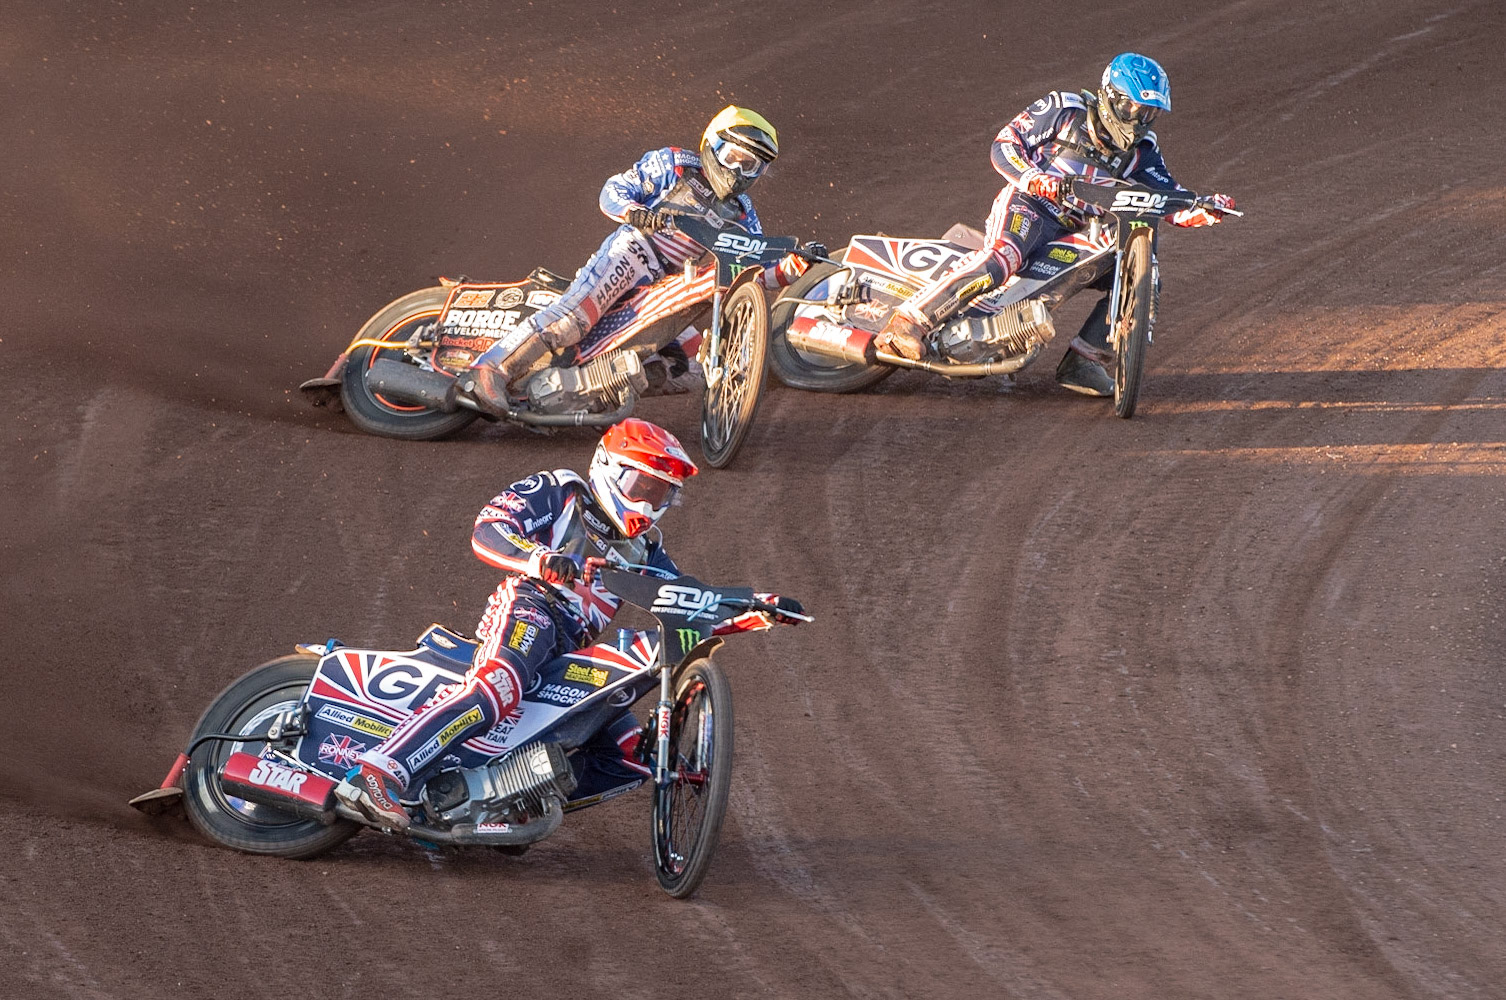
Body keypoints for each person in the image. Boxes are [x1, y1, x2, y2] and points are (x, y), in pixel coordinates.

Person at [335, 418, 806, 830]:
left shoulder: (647, 550)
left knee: (630, 758)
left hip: (570, 651)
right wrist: (540, 560)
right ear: (608, 469)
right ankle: (380, 770)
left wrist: (754, 607)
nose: (647, 504)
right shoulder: (562, 490)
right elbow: (487, 528)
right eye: (642, 487)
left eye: (660, 494)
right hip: (531, 607)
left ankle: (512, 802)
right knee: (501, 684)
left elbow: (687, 601)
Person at [875, 52, 1236, 396]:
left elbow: (1167, 198)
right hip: (1031, 204)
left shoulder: (1143, 150)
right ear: (1111, 97)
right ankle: (909, 321)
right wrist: (1033, 178)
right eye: (1133, 108)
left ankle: (1084, 362)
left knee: (1140, 278)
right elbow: (1004, 144)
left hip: (1080, 228)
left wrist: (1205, 207)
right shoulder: (1065, 109)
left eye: (1149, 113)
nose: (1139, 120)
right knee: (1003, 258)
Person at [466, 106, 823, 409]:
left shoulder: (744, 214)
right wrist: (635, 211)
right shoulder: (675, 165)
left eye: (752, 167)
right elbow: (613, 190)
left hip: (671, 285)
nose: (738, 173)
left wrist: (796, 266)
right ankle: (491, 370)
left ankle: (584, 391)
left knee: (688, 368)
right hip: (635, 252)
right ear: (711, 146)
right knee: (572, 322)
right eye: (733, 158)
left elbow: (748, 270)